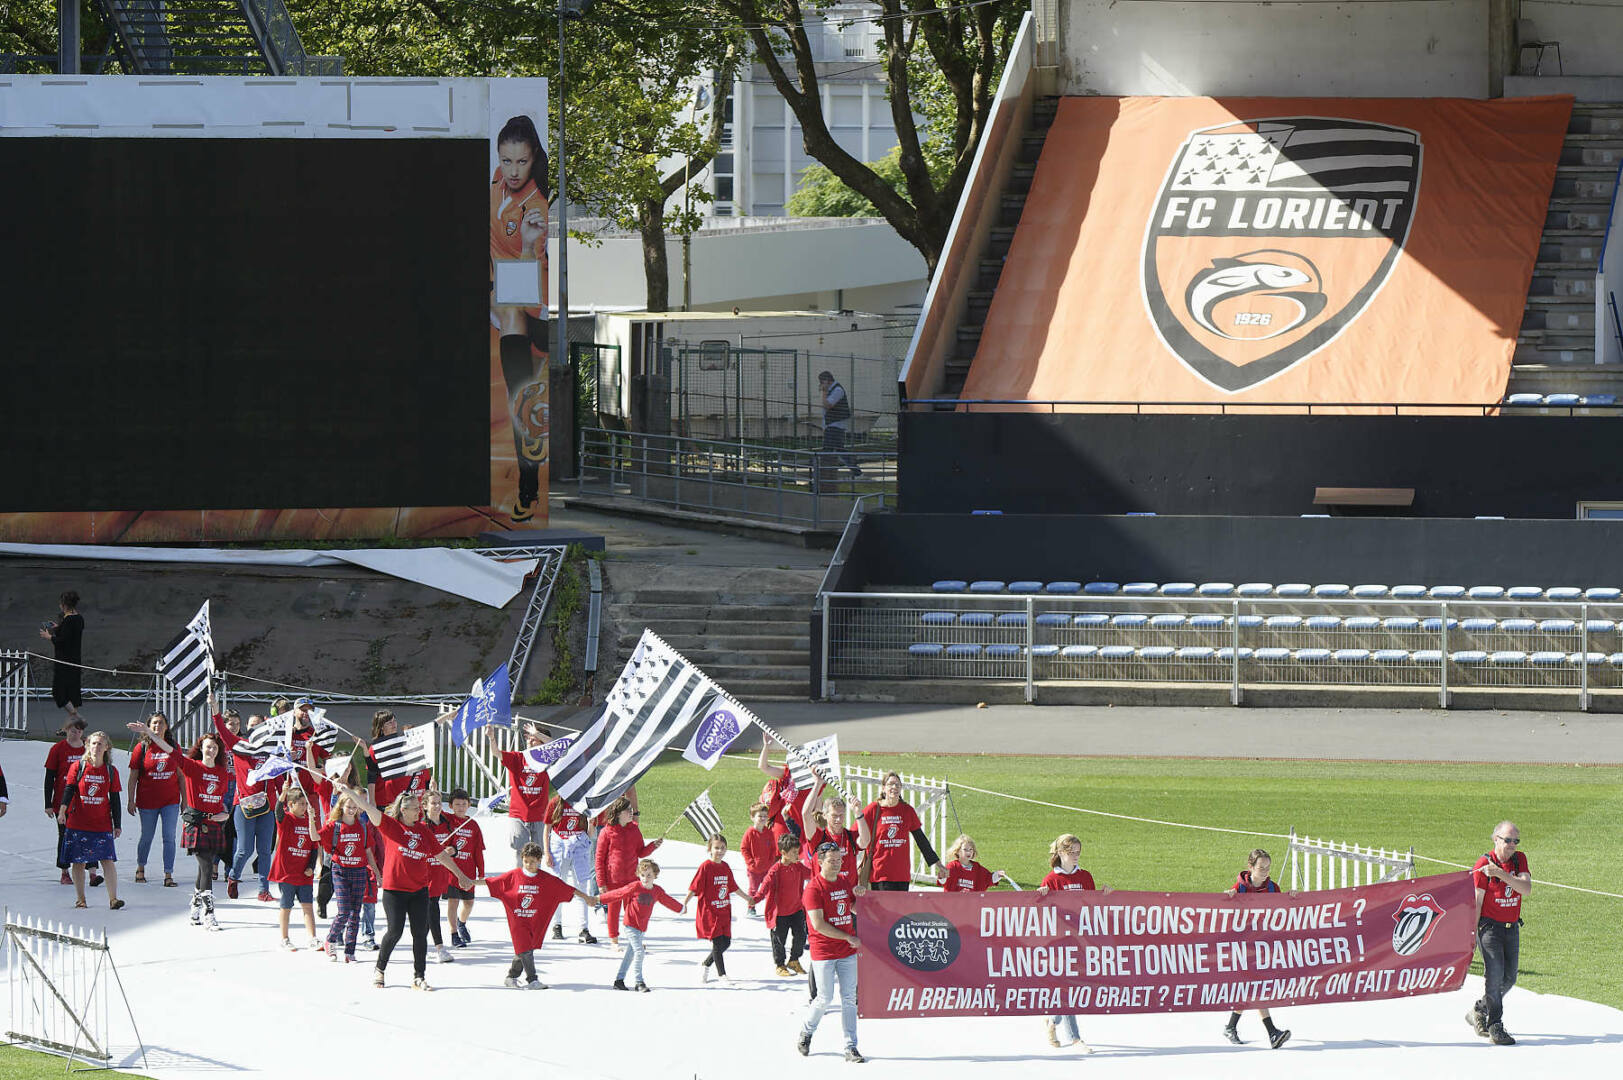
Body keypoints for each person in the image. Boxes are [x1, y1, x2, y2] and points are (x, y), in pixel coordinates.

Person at [331, 782, 473, 991]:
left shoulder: (423, 831)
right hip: (395, 890)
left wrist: (460, 875)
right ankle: (380, 969)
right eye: (415, 808)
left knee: (420, 934)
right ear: (404, 810)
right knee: (394, 931)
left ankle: (419, 976)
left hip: (419, 890)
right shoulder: (391, 825)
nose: (419, 811)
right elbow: (368, 807)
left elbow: (441, 855)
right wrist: (347, 791)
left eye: (419, 808)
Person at [489, 113, 551, 522]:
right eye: (507, 160)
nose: (513, 170)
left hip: (527, 293)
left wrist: (528, 246)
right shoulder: (496, 185)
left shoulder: (536, 208)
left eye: (522, 162)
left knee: (523, 393)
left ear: (534, 160)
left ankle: (528, 484)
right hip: (502, 289)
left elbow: (528, 283)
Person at [127, 719, 232, 929]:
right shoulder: (191, 766)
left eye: (214, 747)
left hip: (213, 825)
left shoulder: (222, 773)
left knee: (203, 869)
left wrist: (225, 814)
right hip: (196, 823)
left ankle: (195, 906)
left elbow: (220, 802)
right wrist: (149, 732)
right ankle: (209, 912)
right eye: (207, 747)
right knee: (206, 865)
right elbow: (169, 749)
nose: (211, 750)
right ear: (200, 749)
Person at [480, 841, 600, 989]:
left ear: (539, 860)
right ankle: (532, 980)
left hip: (534, 921)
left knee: (525, 949)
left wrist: (586, 897)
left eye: (532, 861)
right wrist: (470, 882)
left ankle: (511, 977)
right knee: (525, 949)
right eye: (526, 861)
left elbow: (568, 889)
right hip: (518, 921)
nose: (528, 865)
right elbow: (492, 882)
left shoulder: (546, 879)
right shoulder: (514, 875)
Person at [1037, 833, 1111, 1052]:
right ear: (1061, 853)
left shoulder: (1085, 876)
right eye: (1072, 852)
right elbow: (1042, 914)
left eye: (1078, 852)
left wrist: (1105, 895)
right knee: (1067, 987)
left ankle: (1053, 1020)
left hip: (1081, 940)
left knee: (1073, 987)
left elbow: (1092, 905)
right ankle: (1075, 1038)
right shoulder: (1051, 879)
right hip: (1061, 942)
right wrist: (1041, 896)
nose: (1076, 856)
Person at [796, 841, 865, 1063]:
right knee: (824, 998)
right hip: (824, 951)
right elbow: (818, 924)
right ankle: (807, 1031)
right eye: (831, 861)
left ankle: (850, 1046)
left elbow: (852, 907)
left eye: (839, 860)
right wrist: (848, 937)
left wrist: (862, 897)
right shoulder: (813, 889)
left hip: (847, 952)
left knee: (849, 999)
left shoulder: (844, 882)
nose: (836, 864)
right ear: (820, 861)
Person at [210, 694, 279, 903]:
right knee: (244, 849)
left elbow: (277, 776)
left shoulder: (270, 748)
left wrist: (283, 795)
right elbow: (222, 730)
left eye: (259, 725)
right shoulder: (239, 745)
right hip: (244, 804)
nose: (255, 728)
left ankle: (263, 890)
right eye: (252, 725)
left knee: (265, 850)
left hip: (267, 806)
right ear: (247, 728)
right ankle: (233, 875)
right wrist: (215, 710)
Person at [1468, 821, 1532, 1046]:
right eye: (1508, 840)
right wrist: (1471, 935)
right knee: (1494, 977)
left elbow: (1526, 889)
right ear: (1496, 839)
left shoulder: (1519, 859)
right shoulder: (1483, 864)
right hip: (1489, 929)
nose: (1512, 844)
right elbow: (1477, 902)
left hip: (1511, 927)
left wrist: (1500, 874)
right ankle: (1495, 1025)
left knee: (1509, 978)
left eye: (1516, 840)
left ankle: (1479, 1009)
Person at [1221, 849, 1292, 1048]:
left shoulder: (1273, 888)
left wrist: (1292, 898)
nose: (1265, 871)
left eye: (1268, 867)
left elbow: (1282, 911)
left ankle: (1231, 1026)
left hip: (1263, 946)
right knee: (1255, 986)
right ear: (1250, 867)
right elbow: (1224, 911)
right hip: (1243, 947)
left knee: (1250, 987)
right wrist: (1227, 897)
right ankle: (1272, 1032)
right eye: (1261, 868)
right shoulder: (1240, 888)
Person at [57, 730, 124, 910]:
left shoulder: (111, 771)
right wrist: (62, 811)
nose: (96, 747)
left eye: (100, 744)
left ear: (106, 747)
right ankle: (81, 899)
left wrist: (117, 824)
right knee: (78, 862)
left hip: (101, 824)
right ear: (88, 745)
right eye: (93, 743)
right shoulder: (78, 766)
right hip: (78, 823)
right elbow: (69, 790)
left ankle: (113, 899)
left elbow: (115, 799)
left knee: (107, 860)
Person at [317, 790, 381, 963]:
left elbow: (368, 851)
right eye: (348, 806)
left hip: (359, 870)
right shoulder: (335, 825)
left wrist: (376, 873)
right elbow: (316, 837)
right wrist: (310, 818)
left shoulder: (362, 826)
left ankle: (350, 951)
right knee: (344, 911)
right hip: (340, 870)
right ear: (341, 806)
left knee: (355, 913)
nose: (352, 810)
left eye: (354, 807)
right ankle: (330, 939)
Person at [600, 857, 681, 992]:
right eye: (642, 875)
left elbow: (668, 900)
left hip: (642, 928)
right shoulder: (635, 886)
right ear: (638, 875)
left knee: (629, 955)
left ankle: (619, 981)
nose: (645, 878)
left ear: (655, 875)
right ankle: (639, 982)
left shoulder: (657, 891)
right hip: (630, 925)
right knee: (639, 952)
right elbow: (619, 893)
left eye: (649, 875)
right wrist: (600, 898)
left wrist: (681, 908)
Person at [595, 795, 661, 948]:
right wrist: (601, 883)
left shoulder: (634, 829)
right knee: (613, 911)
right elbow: (599, 859)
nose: (631, 812)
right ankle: (614, 941)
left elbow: (641, 852)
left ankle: (635, 939)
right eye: (627, 810)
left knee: (633, 911)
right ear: (618, 813)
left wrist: (653, 846)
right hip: (613, 880)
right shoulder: (606, 832)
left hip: (632, 879)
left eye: (631, 809)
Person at [860, 771, 941, 891]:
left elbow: (921, 840)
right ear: (883, 788)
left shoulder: (907, 811)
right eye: (891, 784)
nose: (894, 787)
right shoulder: (872, 810)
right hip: (880, 874)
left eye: (897, 785)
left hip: (902, 875)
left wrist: (938, 864)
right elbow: (855, 834)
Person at [127, 711, 182, 888]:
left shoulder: (173, 746)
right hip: (147, 802)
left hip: (170, 801)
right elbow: (133, 777)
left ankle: (168, 874)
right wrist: (130, 800)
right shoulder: (142, 748)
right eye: (154, 723)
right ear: (148, 727)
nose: (158, 726)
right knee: (147, 836)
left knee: (169, 837)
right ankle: (141, 867)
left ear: (167, 726)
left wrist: (186, 801)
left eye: (161, 723)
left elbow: (181, 775)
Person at [683, 833, 745, 983]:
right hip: (710, 912)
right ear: (709, 849)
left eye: (723, 848)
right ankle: (722, 975)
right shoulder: (706, 867)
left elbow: (733, 886)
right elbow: (694, 887)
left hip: (724, 911)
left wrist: (747, 898)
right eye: (716, 848)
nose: (720, 851)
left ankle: (706, 964)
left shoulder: (725, 867)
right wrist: (684, 903)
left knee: (726, 943)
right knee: (717, 943)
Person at [44, 718, 98, 886]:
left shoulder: (88, 748)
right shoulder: (57, 749)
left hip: (85, 800)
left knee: (89, 834)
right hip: (63, 801)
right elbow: (49, 777)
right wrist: (48, 803)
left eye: (80, 731)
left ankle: (93, 872)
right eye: (73, 731)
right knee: (65, 836)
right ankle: (64, 871)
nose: (76, 734)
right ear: (66, 730)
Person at [270, 779, 322, 951]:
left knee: (307, 905)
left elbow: (314, 847)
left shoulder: (309, 822)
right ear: (291, 805)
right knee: (286, 906)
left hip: (304, 873)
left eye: (305, 804)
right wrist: (283, 793)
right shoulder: (287, 820)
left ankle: (312, 937)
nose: (304, 807)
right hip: (287, 872)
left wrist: (311, 867)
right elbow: (278, 811)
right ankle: (284, 938)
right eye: (301, 804)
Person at [753, 831, 811, 977]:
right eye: (794, 852)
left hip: (796, 910)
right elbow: (765, 885)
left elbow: (812, 874)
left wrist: (826, 871)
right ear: (784, 853)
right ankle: (780, 965)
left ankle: (794, 960)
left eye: (798, 851)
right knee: (779, 940)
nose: (798, 855)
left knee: (801, 935)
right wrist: (756, 898)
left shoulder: (798, 866)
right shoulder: (775, 870)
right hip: (779, 914)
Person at [543, 789, 596, 943]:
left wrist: (591, 823)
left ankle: (583, 928)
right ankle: (557, 925)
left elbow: (589, 835)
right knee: (557, 887)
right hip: (559, 847)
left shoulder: (584, 803)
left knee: (581, 887)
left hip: (578, 847)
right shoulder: (556, 802)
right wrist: (547, 852)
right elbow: (547, 828)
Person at [442, 788, 485, 948]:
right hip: (452, 871)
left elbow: (478, 851)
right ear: (450, 806)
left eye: (463, 804)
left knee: (469, 903)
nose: (460, 807)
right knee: (453, 902)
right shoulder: (447, 820)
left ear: (469, 805)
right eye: (457, 804)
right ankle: (454, 933)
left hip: (469, 871)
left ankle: (462, 923)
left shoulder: (473, 825)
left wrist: (481, 872)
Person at [420, 789, 458, 963]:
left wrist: (452, 850)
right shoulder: (422, 826)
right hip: (425, 874)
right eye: (433, 803)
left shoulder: (447, 824)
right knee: (432, 908)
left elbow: (455, 845)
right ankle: (440, 948)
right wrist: (435, 851)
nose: (437, 806)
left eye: (439, 803)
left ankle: (420, 945)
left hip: (441, 873)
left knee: (429, 911)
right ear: (425, 806)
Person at [39, 590, 84, 722]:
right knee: (72, 691)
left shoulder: (68, 620)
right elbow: (70, 634)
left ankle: (77, 719)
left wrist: (48, 636)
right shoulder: (78, 618)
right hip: (75, 659)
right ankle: (73, 724)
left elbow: (63, 641)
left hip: (64, 661)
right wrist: (58, 627)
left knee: (59, 692)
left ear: (64, 605)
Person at [817, 371, 859, 478]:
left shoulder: (837, 390)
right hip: (831, 425)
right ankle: (856, 472)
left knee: (828, 450)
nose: (820, 385)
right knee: (839, 449)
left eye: (821, 382)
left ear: (827, 381)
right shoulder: (832, 390)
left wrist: (824, 392)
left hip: (836, 425)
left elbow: (827, 405)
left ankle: (823, 475)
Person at [741, 803, 777, 916]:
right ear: (752, 817)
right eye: (760, 816)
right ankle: (751, 907)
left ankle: (770, 908)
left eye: (765, 816)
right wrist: (751, 863)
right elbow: (744, 848)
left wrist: (771, 861)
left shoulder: (769, 833)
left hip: (767, 868)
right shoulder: (750, 833)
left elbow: (773, 848)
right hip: (754, 870)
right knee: (753, 889)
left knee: (769, 888)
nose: (762, 818)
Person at [939, 835, 1008, 893]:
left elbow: (988, 879)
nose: (968, 852)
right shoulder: (952, 866)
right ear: (957, 851)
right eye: (965, 849)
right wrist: (942, 877)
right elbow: (943, 881)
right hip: (954, 902)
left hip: (971, 903)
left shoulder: (977, 868)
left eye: (970, 849)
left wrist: (998, 875)